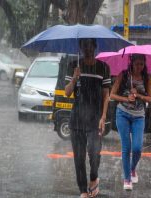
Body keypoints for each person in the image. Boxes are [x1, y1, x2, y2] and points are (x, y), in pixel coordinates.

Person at [65, 38, 111, 198]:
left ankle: (94, 177)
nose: (87, 48)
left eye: (90, 45)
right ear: (81, 47)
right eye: (84, 45)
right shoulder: (73, 65)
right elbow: (67, 92)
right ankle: (83, 190)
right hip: (76, 119)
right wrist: (75, 78)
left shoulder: (103, 67)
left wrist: (103, 116)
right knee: (78, 158)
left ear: (95, 46)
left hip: (95, 118)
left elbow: (106, 94)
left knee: (94, 152)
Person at [110, 54, 151, 190]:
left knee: (137, 149)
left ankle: (132, 169)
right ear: (131, 63)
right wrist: (127, 99)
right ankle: (127, 179)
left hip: (139, 116)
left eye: (141, 64)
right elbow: (112, 95)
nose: (139, 67)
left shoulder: (147, 77)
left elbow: (150, 99)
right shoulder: (123, 75)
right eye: (136, 64)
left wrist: (138, 95)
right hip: (122, 113)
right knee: (126, 148)